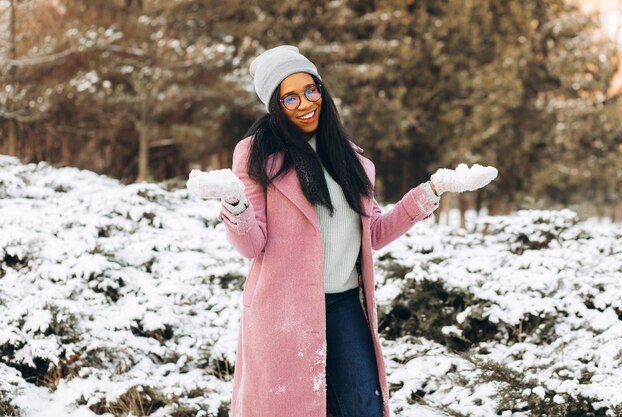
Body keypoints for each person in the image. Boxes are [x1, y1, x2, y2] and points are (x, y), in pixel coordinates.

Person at [186, 45, 497, 417]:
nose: (305, 103)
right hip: (284, 311)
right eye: (290, 97)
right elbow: (252, 245)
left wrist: (432, 190)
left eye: (311, 90)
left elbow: (375, 234)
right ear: (275, 106)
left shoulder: (353, 159)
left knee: (363, 407)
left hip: (346, 305)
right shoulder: (256, 154)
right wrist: (235, 202)